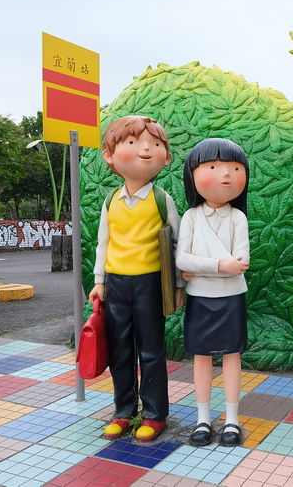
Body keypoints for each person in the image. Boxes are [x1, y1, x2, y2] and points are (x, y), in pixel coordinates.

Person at [88, 115, 184, 443]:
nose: (146, 150)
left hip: (150, 283)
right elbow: (104, 242)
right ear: (109, 155)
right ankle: (123, 411)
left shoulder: (162, 200)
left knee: (152, 349)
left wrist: (179, 285)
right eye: (132, 143)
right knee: (120, 351)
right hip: (116, 283)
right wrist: (99, 280)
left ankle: (155, 414)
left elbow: (177, 243)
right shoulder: (110, 201)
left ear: (165, 157)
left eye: (155, 145)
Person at [176, 138, 250, 447]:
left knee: (232, 356)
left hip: (231, 297)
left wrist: (202, 266)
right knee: (201, 357)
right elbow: (182, 259)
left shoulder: (238, 218)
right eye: (213, 167)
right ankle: (203, 418)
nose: (226, 175)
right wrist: (221, 264)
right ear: (192, 174)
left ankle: (231, 418)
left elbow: (242, 262)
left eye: (235, 168)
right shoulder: (191, 217)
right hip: (201, 298)